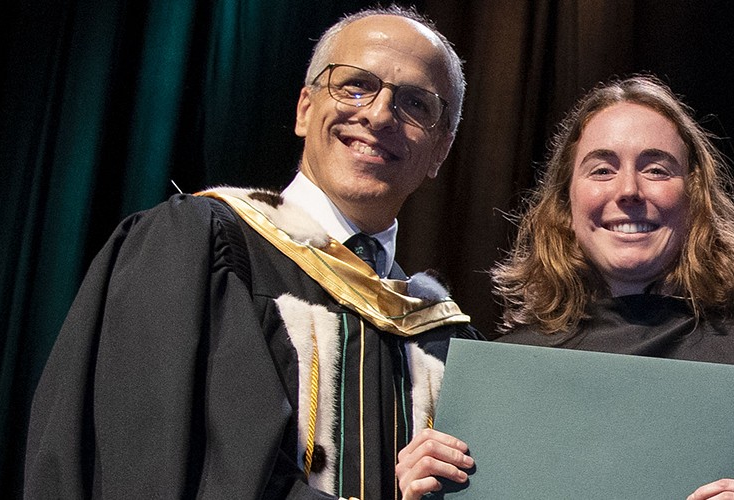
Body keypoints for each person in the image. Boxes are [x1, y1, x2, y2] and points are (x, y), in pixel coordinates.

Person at [24, 6, 481, 499]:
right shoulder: (199, 246)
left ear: (442, 149)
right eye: (354, 85)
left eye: (416, 103)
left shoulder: (443, 339)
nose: (377, 113)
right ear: (305, 108)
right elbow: (163, 468)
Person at [395, 76, 734, 499]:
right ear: (564, 205)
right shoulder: (506, 379)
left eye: (656, 169)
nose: (628, 192)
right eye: (601, 169)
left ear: (696, 200)